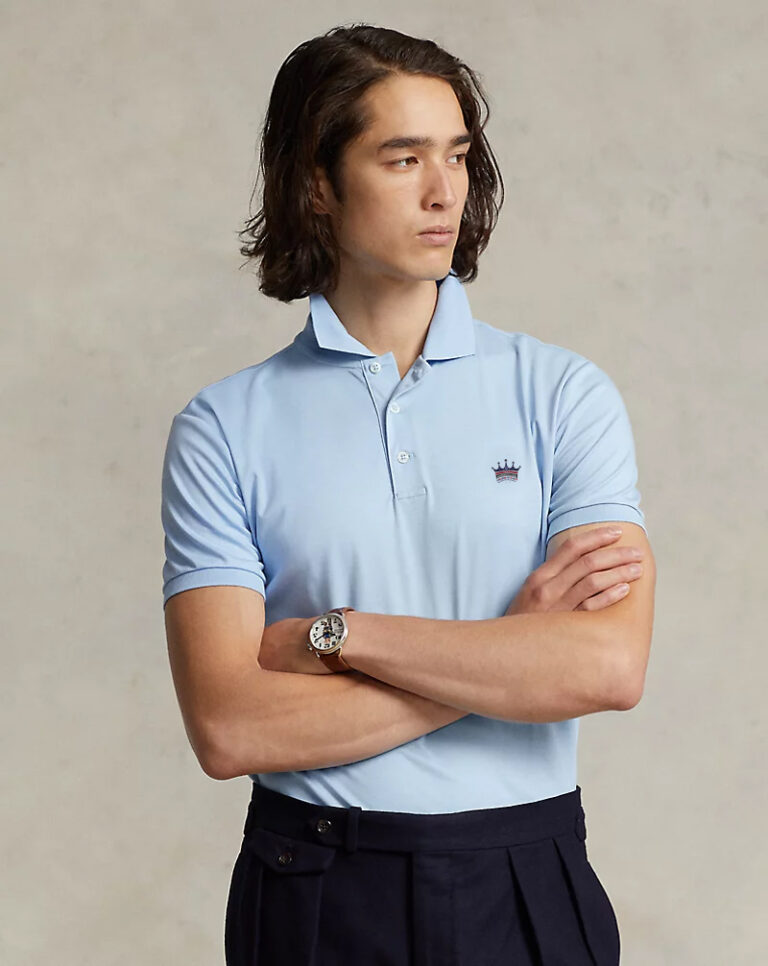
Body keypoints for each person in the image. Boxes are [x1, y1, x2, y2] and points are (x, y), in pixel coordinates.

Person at [160, 22, 656, 966]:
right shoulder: (223, 426)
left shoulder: (564, 393)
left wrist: (339, 636)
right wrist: (509, 654)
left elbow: (605, 669)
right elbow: (229, 728)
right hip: (313, 883)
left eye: (457, 155)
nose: (444, 192)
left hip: (527, 870)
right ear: (317, 182)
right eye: (403, 158)